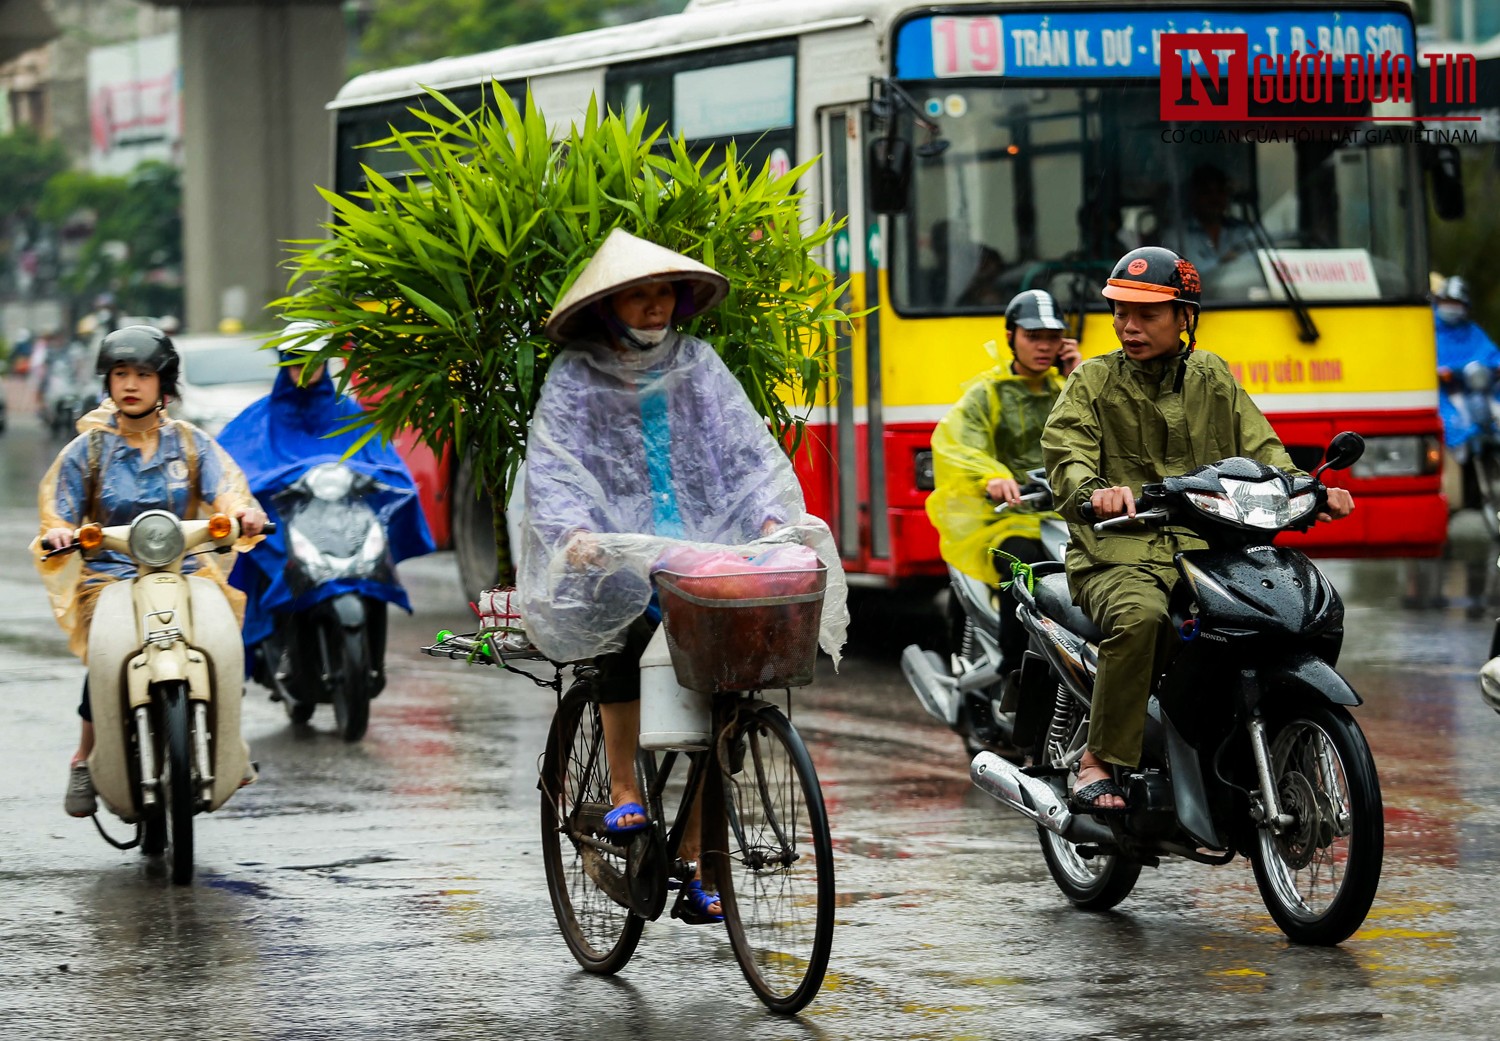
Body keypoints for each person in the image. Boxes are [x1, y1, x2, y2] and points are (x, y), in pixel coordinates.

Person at [517, 228, 849, 923]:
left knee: (726, 690)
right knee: (623, 635)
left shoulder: (699, 364)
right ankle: (620, 786)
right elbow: (554, 468)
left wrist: (767, 519)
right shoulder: (575, 376)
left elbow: (745, 452)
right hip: (614, 554)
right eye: (638, 295)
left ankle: (697, 859)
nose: (653, 306)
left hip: (704, 554)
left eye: (662, 291)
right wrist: (577, 535)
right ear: (610, 306)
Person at [1042, 247, 1355, 812]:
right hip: (1118, 552)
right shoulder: (1090, 382)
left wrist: (1308, 490)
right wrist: (1096, 494)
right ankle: (1099, 759)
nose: (1127, 326)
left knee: (1299, 611)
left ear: (1185, 316)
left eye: (1147, 315)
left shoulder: (1211, 375)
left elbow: (1262, 449)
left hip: (1212, 550)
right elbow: (1068, 461)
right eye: (1119, 312)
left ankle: (1269, 734)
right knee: (1142, 619)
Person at [31, 326, 268, 817]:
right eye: (121, 374)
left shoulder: (189, 442)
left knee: (222, 640)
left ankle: (231, 746)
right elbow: (60, 509)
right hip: (110, 575)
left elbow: (229, 487)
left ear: (165, 384)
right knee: (107, 655)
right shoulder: (87, 450)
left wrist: (242, 512)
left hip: (184, 568)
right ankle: (84, 757)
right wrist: (58, 532)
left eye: (143, 374)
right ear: (108, 382)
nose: (131, 384)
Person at [217, 321, 436, 693]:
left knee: (372, 562)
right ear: (284, 362)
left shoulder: (347, 410)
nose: (304, 369)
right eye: (296, 360)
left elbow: (384, 460)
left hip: (344, 519)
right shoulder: (260, 418)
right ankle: (282, 648)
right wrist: (262, 494)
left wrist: (393, 484)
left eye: (313, 360)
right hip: (287, 525)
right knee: (271, 553)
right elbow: (230, 469)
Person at [925, 289, 1081, 671]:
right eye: (1033, 336)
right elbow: (955, 443)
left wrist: (1080, 378)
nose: (1044, 347)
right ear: (1011, 336)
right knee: (1021, 563)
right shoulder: (986, 393)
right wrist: (992, 476)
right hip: (1001, 518)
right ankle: (1014, 669)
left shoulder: (1069, 390)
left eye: (1053, 337)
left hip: (1061, 516)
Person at [1161, 164, 1257, 279]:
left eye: (1220, 191)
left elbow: (1256, 269)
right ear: (1193, 197)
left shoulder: (1244, 231)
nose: (1214, 198)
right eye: (1206, 192)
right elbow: (1183, 277)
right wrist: (1224, 263)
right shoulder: (1176, 236)